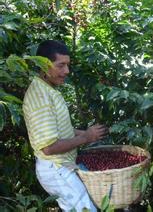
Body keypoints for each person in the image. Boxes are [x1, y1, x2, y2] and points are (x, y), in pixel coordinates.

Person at [23, 40, 108, 211]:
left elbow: (58, 130)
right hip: (56, 169)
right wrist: (86, 137)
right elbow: (49, 147)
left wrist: (84, 134)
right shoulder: (41, 98)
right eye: (61, 65)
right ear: (43, 64)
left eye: (67, 65)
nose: (66, 71)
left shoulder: (47, 89)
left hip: (63, 166)